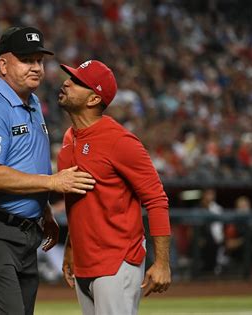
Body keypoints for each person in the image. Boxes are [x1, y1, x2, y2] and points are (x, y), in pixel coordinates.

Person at [0, 26, 95, 315]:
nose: (36, 67)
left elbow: (23, 160)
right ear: (3, 65)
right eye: (27, 60)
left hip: (27, 233)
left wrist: (44, 210)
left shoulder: (33, 101)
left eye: (39, 60)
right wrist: (52, 182)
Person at [56, 60, 172, 315]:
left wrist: (162, 262)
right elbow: (79, 202)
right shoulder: (69, 138)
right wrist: (71, 248)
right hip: (84, 262)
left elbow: (156, 199)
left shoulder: (120, 141)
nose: (66, 82)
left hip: (117, 261)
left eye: (77, 82)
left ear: (94, 99)